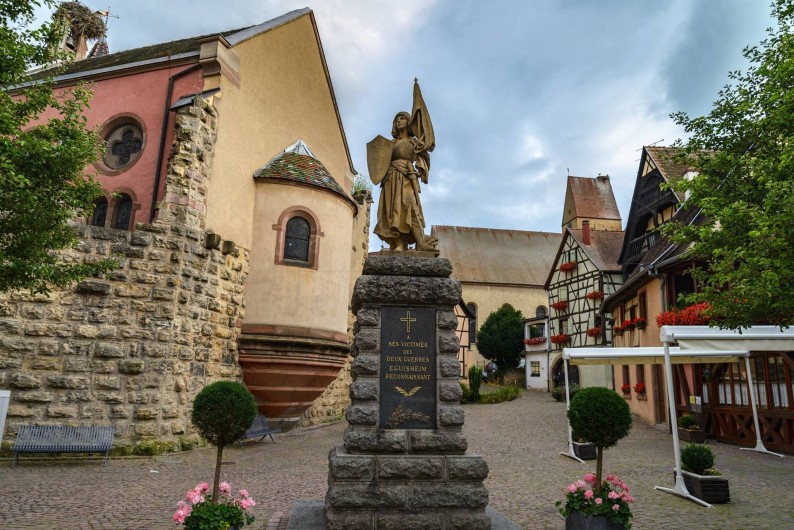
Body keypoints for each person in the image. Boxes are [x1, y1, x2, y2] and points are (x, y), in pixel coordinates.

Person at [370, 80, 438, 252]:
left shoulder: (414, 142)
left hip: (407, 178)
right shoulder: (390, 144)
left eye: (402, 118)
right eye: (397, 119)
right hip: (391, 178)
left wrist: (421, 170)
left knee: (410, 206)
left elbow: (424, 154)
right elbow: (381, 161)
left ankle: (420, 242)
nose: (399, 121)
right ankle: (399, 244)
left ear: (408, 122)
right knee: (393, 211)